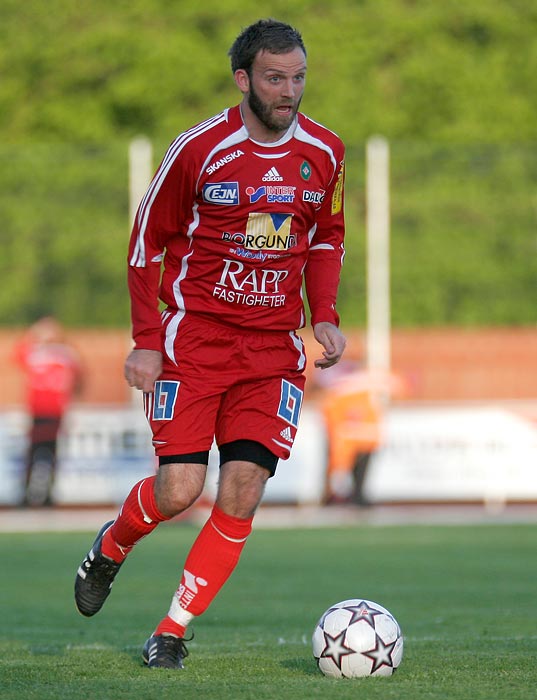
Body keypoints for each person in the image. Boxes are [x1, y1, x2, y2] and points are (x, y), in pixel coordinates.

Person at [74, 18, 347, 669]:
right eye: (275, 78)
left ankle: (171, 630)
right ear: (243, 78)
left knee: (244, 487)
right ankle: (111, 547)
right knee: (179, 492)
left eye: (298, 76)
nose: (289, 90)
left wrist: (326, 313)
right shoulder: (199, 149)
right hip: (194, 344)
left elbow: (325, 237)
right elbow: (146, 245)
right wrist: (145, 341)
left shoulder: (326, 153)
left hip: (272, 353)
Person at [13, 316, 83, 506]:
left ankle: (46, 495)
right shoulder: (41, 352)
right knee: (34, 454)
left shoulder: (63, 354)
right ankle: (28, 494)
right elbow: (17, 355)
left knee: (50, 455)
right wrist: (36, 334)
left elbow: (79, 376)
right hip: (38, 412)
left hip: (55, 412)